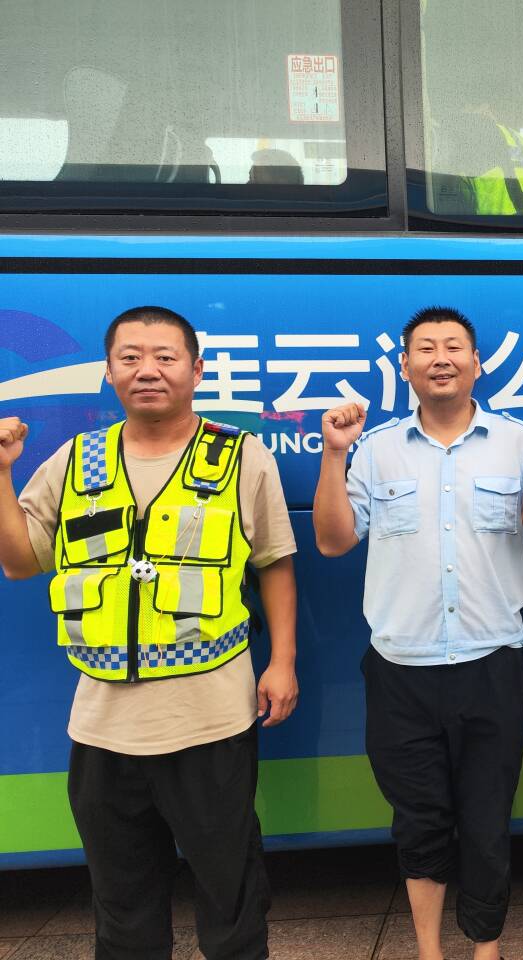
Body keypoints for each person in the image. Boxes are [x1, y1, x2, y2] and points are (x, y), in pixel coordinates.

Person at [0, 305, 298, 960]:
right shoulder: (75, 461)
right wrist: (1, 472)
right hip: (102, 728)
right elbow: (20, 562)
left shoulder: (240, 457)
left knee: (231, 896)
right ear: (108, 373)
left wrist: (283, 662)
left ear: (197, 370)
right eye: (130, 358)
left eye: (165, 357)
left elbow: (275, 561)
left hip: (211, 721)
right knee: (123, 908)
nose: (148, 370)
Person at [312, 305, 523, 960]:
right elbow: (333, 540)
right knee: (419, 818)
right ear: (405, 366)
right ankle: (429, 949)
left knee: (487, 817)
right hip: (401, 668)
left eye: (454, 346)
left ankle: (485, 946)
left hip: (493, 659)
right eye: (426, 348)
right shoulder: (375, 448)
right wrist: (334, 454)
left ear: (477, 363)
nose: (440, 358)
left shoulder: (519, 443)